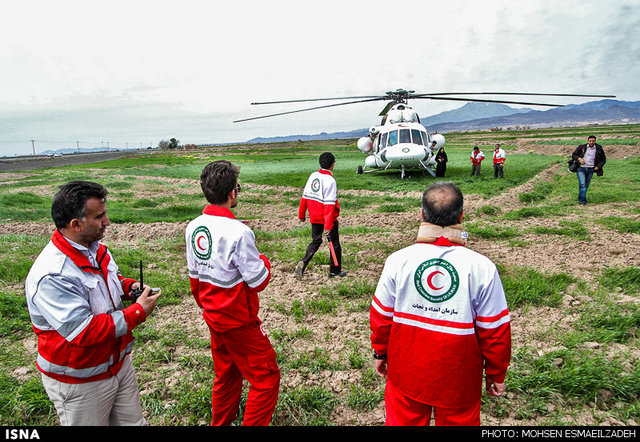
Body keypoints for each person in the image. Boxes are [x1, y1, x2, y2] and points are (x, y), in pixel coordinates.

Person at [370, 181, 511, 426]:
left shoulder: (397, 261)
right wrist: (496, 373)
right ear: (462, 215)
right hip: (459, 378)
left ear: (422, 215)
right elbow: (495, 330)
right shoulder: (482, 267)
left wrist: (380, 352)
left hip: (406, 372)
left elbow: (381, 317)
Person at [24, 180, 161, 426]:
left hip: (117, 365)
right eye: (99, 217)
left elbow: (108, 281)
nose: (107, 222)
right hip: (79, 381)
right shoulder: (53, 274)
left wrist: (128, 287)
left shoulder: (96, 250)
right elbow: (84, 331)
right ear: (76, 224)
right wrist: (137, 312)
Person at [186, 160, 280, 426]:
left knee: (226, 376)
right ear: (232, 193)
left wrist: (206, 307)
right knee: (266, 378)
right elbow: (259, 280)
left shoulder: (193, 227)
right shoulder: (239, 232)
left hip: (213, 315)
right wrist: (263, 259)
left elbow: (195, 278)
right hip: (238, 320)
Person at [295, 152, 345, 279]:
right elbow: (329, 206)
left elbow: (304, 196)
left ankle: (304, 262)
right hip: (327, 218)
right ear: (333, 165)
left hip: (314, 216)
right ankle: (335, 271)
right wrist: (328, 225)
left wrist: (302, 214)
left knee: (316, 240)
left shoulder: (313, 176)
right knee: (334, 243)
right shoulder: (330, 181)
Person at [571, 135, 606, 205]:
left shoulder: (599, 149)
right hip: (581, 168)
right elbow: (574, 155)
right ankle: (583, 201)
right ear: (588, 141)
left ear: (595, 141)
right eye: (590, 141)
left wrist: (598, 167)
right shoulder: (582, 147)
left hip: (591, 169)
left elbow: (603, 159)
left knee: (586, 185)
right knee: (582, 184)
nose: (591, 142)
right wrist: (579, 158)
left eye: (593, 141)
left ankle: (580, 197)